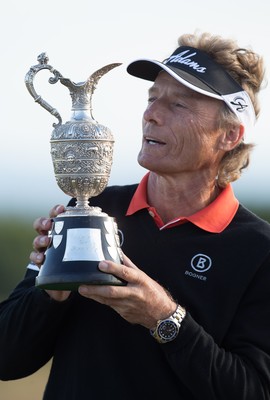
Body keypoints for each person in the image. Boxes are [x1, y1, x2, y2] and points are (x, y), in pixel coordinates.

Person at [0, 31, 270, 400]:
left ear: (229, 135)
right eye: (152, 98)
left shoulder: (259, 251)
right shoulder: (93, 209)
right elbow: (7, 359)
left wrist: (164, 318)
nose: (152, 115)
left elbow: (253, 390)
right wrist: (52, 288)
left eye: (180, 105)